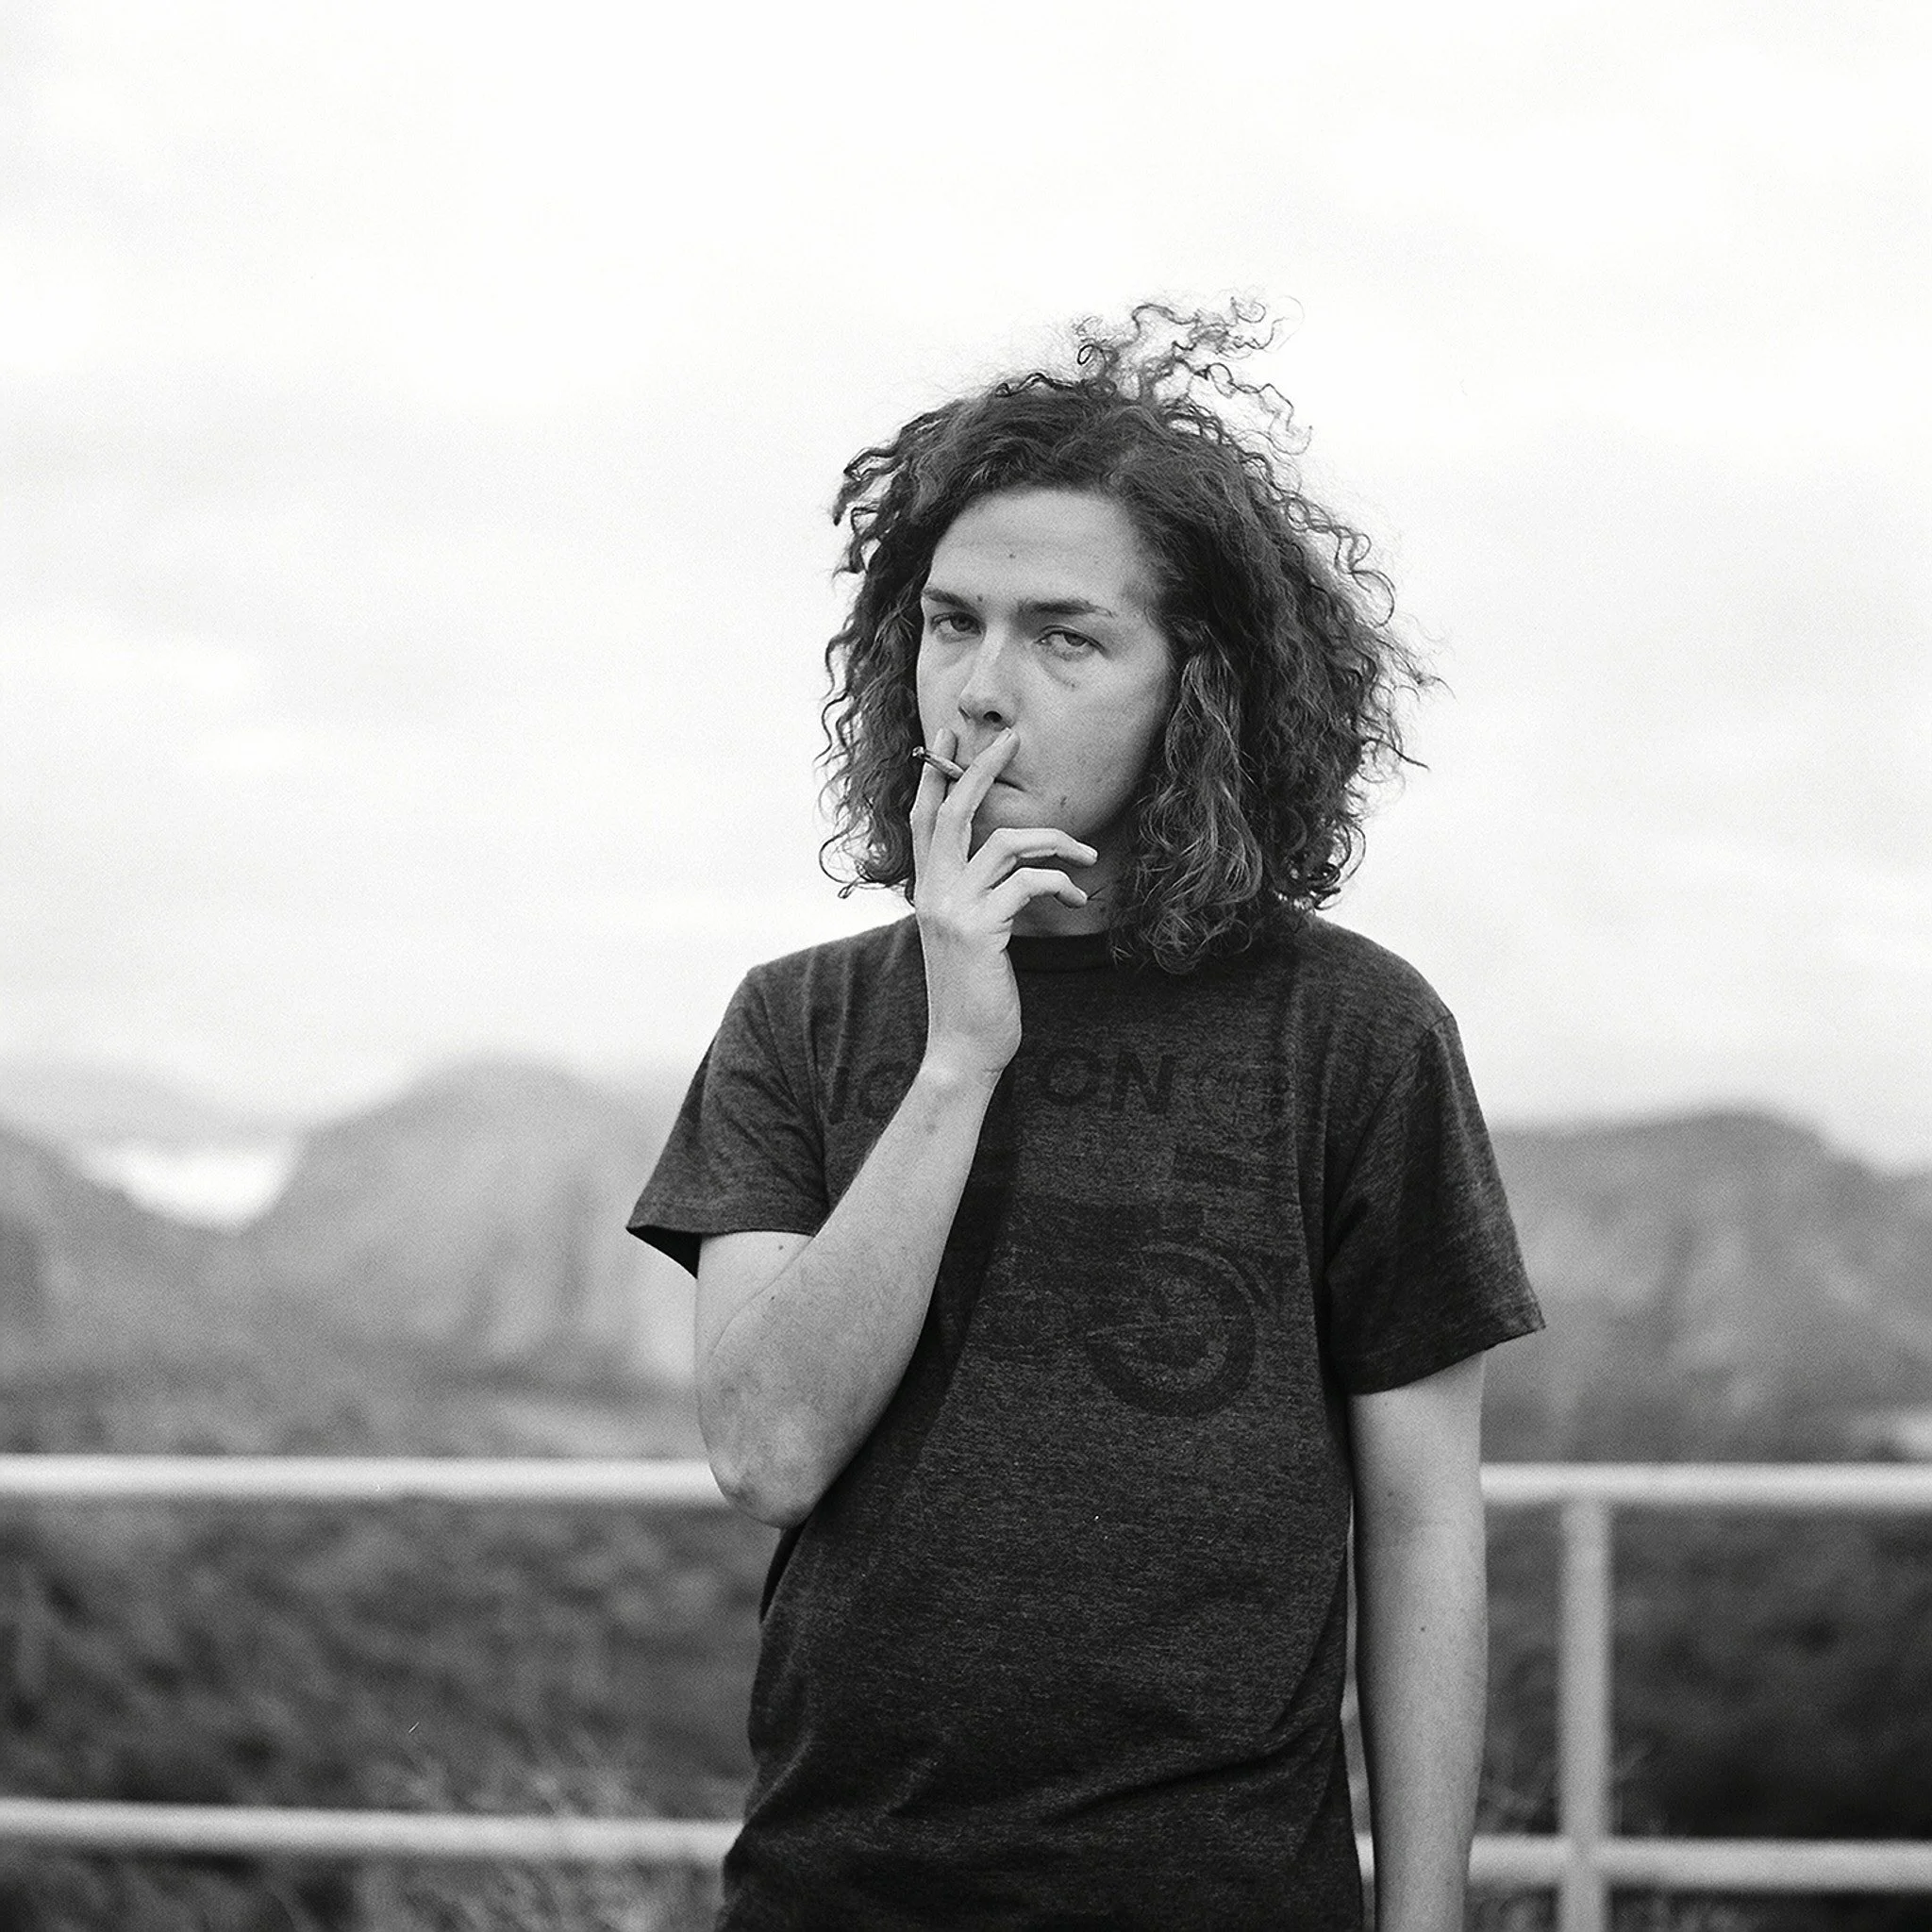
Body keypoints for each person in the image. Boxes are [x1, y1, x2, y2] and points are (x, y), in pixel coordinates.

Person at [629, 304, 1545, 1931]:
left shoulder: (1354, 1031)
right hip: (840, 1895)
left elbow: (1420, 1521)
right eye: (949, 623)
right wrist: (959, 1053)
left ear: (1200, 687)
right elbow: (765, 1450)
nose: (981, 693)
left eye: (1067, 637)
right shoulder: (802, 1020)